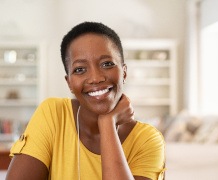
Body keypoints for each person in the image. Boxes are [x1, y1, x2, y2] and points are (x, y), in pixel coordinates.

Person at [6, 22, 166, 180]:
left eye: (107, 64)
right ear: (69, 82)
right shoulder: (54, 113)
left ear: (124, 73)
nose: (96, 78)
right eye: (80, 69)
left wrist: (107, 123)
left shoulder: (148, 140)